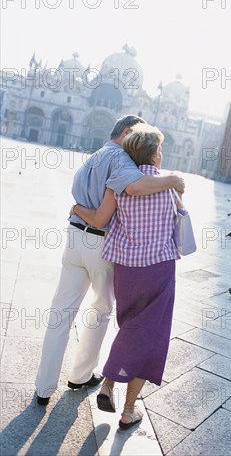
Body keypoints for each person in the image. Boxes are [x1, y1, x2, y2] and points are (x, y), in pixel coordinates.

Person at [35, 115, 184, 405]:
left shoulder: (93, 157)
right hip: (99, 242)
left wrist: (77, 207)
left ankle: (43, 386)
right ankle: (80, 376)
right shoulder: (121, 160)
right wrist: (174, 180)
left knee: (61, 311)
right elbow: (136, 188)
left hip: (75, 236)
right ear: (127, 132)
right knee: (101, 311)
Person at [73, 124, 181, 429]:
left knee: (132, 327)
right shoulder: (169, 185)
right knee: (152, 335)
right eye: (160, 149)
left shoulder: (120, 184)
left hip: (126, 271)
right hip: (159, 270)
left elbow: (99, 219)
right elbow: (181, 223)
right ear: (155, 153)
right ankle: (127, 407)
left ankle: (110, 386)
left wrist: (76, 208)